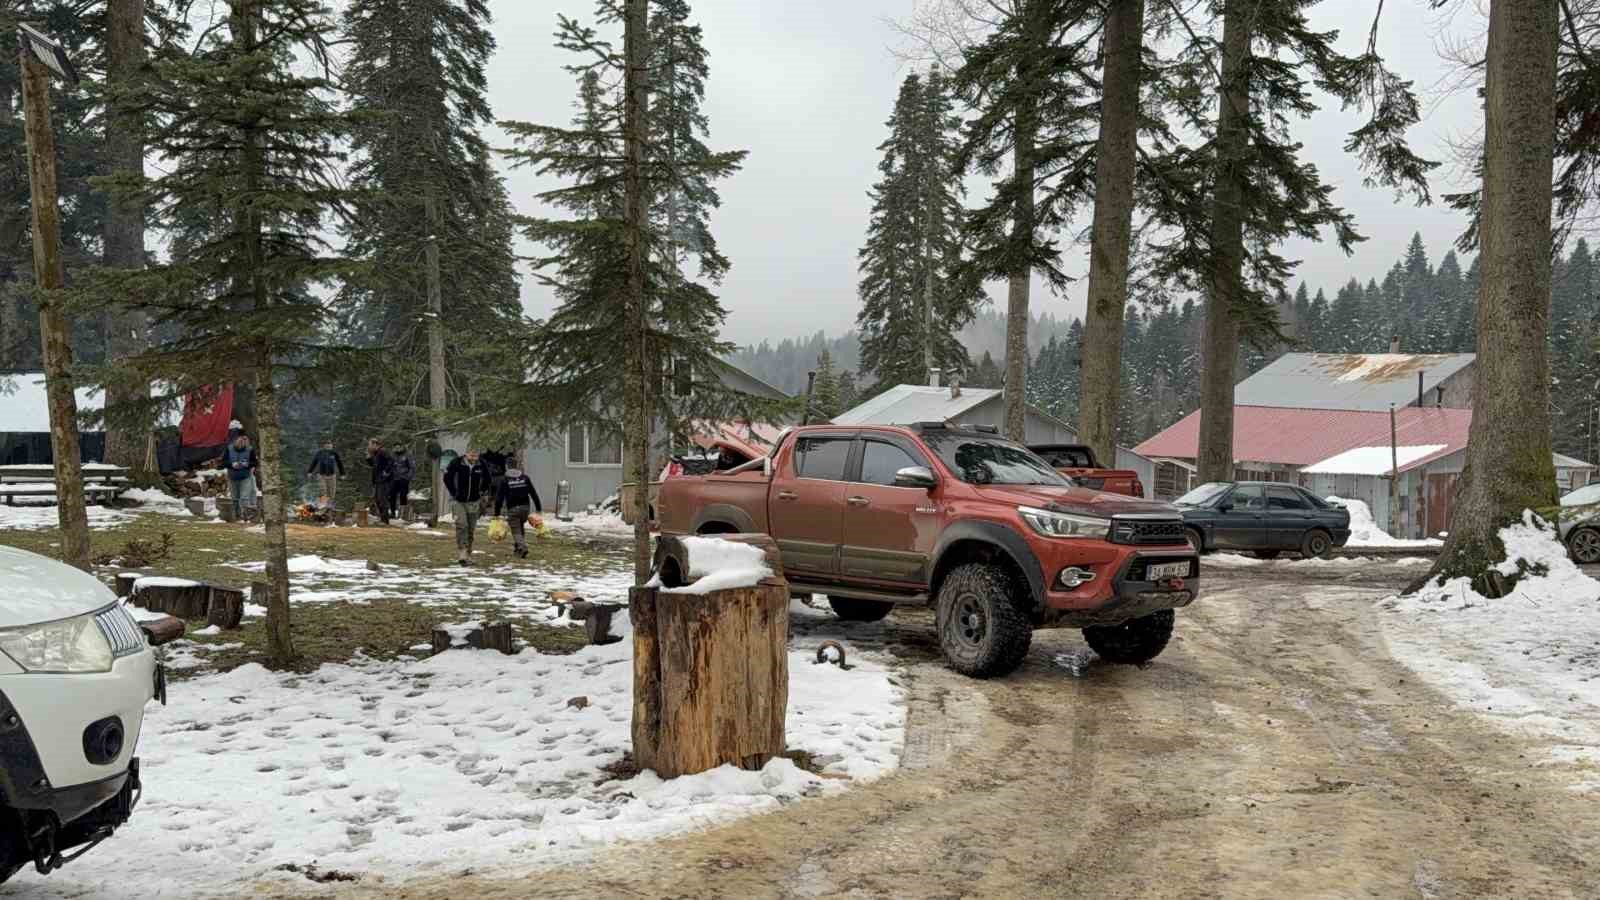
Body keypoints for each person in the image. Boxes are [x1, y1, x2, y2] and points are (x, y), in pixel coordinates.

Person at [444, 448, 491, 565]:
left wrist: (481, 492)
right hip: (458, 500)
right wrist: (453, 492)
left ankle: (468, 554)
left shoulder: (481, 464)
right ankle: (462, 552)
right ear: (466, 454)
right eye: (471, 455)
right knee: (462, 525)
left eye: (476, 456)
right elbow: (447, 478)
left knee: (470, 528)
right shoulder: (456, 462)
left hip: (474, 501)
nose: (473, 458)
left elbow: (488, 479)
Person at [494, 458, 542, 559]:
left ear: (506, 466)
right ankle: (518, 549)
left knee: (516, 530)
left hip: (513, 509)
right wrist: (538, 508)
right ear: (517, 466)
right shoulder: (525, 478)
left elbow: (499, 498)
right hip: (525, 508)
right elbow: (533, 493)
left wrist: (496, 513)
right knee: (520, 528)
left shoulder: (504, 479)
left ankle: (522, 547)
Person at [224, 434, 259, 521]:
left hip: (245, 476)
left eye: (244, 441)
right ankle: (237, 516)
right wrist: (232, 465)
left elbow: (255, 462)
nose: (241, 442)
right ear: (235, 440)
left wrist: (247, 465)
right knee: (235, 498)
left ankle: (245, 517)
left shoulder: (250, 450)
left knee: (244, 497)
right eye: (240, 440)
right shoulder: (229, 449)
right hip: (232, 477)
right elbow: (223, 462)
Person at [306, 439, 345, 507]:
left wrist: (342, 473)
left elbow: (339, 463)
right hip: (321, 475)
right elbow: (314, 462)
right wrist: (310, 471)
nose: (328, 446)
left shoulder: (334, 453)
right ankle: (322, 506)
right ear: (324, 446)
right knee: (323, 491)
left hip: (332, 475)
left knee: (332, 493)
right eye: (327, 444)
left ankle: (329, 507)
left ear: (332, 445)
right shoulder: (320, 453)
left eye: (329, 444)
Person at [365, 439, 395, 524]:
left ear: (375, 444)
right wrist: (368, 458)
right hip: (378, 479)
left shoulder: (382, 451)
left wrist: (386, 471)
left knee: (382, 499)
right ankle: (382, 518)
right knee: (377, 499)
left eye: (370, 445)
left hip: (384, 480)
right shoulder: (375, 454)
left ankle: (385, 520)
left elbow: (391, 461)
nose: (369, 447)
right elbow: (373, 465)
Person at [390, 447, 415, 520]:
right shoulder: (393, 456)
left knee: (403, 496)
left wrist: (408, 477)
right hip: (394, 479)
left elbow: (412, 467)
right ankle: (392, 512)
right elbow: (390, 466)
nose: (397, 448)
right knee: (392, 496)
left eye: (398, 447)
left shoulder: (407, 455)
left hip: (403, 479)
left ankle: (403, 514)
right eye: (395, 447)